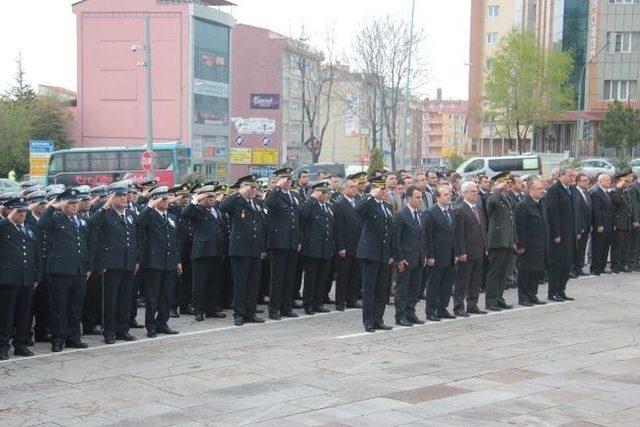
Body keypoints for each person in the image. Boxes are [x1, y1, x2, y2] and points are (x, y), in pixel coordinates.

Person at [39, 188, 91, 352]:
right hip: (60, 270)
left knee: (75, 306)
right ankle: (58, 338)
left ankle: (73, 337)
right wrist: (54, 206)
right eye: (71, 203)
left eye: (76, 203)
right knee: (59, 306)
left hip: (78, 270)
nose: (75, 205)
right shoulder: (56, 219)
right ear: (63, 204)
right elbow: (41, 224)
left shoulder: (81, 220)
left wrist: (87, 266)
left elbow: (85, 244)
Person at [88, 183, 138, 344]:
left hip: (128, 262)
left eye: (125, 195)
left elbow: (135, 239)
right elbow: (92, 224)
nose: (124, 198)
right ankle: (109, 331)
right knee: (110, 300)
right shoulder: (105, 214)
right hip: (111, 264)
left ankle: (122, 329)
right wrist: (106, 205)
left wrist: (136, 260)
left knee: (125, 299)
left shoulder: (130, 214)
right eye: (120, 196)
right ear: (111, 197)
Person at [219, 175, 266, 326]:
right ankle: (239, 314)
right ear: (244, 188)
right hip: (240, 249)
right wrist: (239, 192)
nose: (254, 190)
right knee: (240, 283)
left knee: (253, 283)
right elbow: (222, 207)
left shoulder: (257, 203)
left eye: (255, 188)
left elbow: (260, 226)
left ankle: (250, 312)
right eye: (251, 187)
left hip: (255, 249)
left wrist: (262, 248)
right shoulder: (236, 201)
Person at [136, 186, 181, 338]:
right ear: (154, 200)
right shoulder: (148, 215)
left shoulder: (171, 217)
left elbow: (176, 241)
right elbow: (138, 222)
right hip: (153, 262)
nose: (166, 201)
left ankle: (162, 322)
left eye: (167, 199)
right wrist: (150, 206)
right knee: (152, 296)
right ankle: (151, 326)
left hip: (169, 261)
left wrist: (178, 260)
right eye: (162, 199)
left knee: (167, 295)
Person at [0, 197, 39, 360]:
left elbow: (36, 254)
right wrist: (7, 219)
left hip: (27, 278)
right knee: (6, 314)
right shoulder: (4, 227)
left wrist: (37, 275)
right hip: (8, 278)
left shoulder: (29, 228)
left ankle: (21, 344)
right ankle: (2, 346)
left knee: (24, 314)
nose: (22, 214)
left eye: (24, 211)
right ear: (10, 211)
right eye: (18, 211)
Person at [182, 184, 227, 321]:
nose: (212, 199)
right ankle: (199, 309)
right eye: (209, 197)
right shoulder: (197, 209)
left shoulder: (216, 210)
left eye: (213, 196)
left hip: (217, 251)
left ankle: (212, 308)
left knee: (215, 282)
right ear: (202, 199)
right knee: (201, 283)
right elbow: (185, 213)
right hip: (202, 252)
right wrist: (195, 199)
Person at [355, 177, 393, 332]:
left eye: (384, 189)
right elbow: (357, 209)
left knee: (381, 289)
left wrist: (392, 253)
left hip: (383, 253)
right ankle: (369, 321)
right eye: (381, 189)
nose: (384, 191)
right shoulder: (368, 204)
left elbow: (389, 231)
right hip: (369, 253)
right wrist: (370, 195)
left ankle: (379, 319)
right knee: (369, 289)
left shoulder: (386, 206)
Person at [265, 167, 302, 320]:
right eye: (285, 180)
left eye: (289, 179)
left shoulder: (293, 195)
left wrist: (298, 240)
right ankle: (274, 309)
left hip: (292, 241)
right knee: (278, 277)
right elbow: (269, 203)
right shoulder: (274, 195)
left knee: (289, 276)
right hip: (279, 242)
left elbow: (297, 219)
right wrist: (276, 187)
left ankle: (286, 307)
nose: (288, 182)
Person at [391, 185, 426, 326]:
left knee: (415, 289)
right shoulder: (400, 215)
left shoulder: (421, 214)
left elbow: (423, 237)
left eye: (421, 197)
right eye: (418, 197)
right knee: (402, 289)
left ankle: (411, 313)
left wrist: (424, 255)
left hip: (418, 258)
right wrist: (399, 258)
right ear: (409, 198)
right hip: (405, 259)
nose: (420, 200)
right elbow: (396, 240)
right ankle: (400, 316)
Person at [299, 180, 335, 315]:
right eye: (324, 193)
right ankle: (308, 304)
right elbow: (303, 215)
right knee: (311, 278)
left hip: (326, 247)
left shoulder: (329, 207)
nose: (327, 195)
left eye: (327, 192)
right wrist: (312, 198)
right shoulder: (311, 205)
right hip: (313, 248)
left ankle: (318, 302)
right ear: (317, 193)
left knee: (322, 277)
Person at [453, 181, 487, 316]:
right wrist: (461, 252)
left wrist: (485, 246)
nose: (475, 194)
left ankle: (472, 304)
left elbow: (482, 229)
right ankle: (458, 306)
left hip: (478, 250)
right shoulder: (460, 210)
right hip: (466, 252)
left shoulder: (478, 208)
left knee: (475, 280)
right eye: (472, 191)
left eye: (476, 191)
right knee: (462, 281)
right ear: (464, 193)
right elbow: (459, 233)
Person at [424, 185, 457, 321]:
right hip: (436, 255)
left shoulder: (451, 212)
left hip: (449, 255)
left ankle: (442, 308)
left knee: (447, 284)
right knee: (434, 285)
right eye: (445, 194)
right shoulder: (431, 213)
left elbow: (453, 234)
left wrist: (456, 253)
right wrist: (430, 255)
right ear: (437, 197)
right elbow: (428, 236)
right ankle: (431, 311)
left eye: (449, 194)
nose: (449, 196)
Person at [514, 180, 548, 306]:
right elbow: (520, 227)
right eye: (539, 188)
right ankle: (523, 297)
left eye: (542, 188)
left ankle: (532, 294)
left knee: (536, 271)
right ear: (530, 190)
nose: (542, 191)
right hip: (527, 245)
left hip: (539, 243)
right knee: (525, 272)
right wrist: (521, 245)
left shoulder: (541, 202)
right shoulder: (523, 205)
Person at [485, 172, 516, 311]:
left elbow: (511, 221)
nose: (508, 185)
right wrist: (497, 190)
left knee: (503, 273)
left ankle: (499, 298)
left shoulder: (507, 198)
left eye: (509, 183)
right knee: (495, 272)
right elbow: (491, 205)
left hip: (507, 241)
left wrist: (513, 240)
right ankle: (490, 300)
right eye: (505, 183)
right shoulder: (493, 197)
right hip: (497, 242)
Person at [545, 167, 577, 302]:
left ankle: (561, 289)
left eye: (573, 176)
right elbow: (552, 213)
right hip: (559, 235)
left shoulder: (571, 190)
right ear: (561, 176)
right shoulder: (554, 190)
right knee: (557, 264)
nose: (572, 178)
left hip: (569, 233)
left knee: (566, 264)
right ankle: (553, 292)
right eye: (570, 176)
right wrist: (556, 233)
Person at [333, 177, 363, 311]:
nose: (354, 189)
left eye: (355, 187)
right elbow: (338, 228)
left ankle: (352, 299)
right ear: (344, 189)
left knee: (355, 274)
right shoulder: (340, 204)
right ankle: (340, 301)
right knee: (343, 275)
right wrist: (341, 246)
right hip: (345, 246)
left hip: (357, 245)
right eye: (351, 187)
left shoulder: (358, 202)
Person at [611, 171, 635, 273]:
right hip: (619, 223)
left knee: (625, 245)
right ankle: (615, 265)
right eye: (627, 182)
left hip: (627, 223)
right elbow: (617, 200)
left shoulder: (626, 192)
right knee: (618, 246)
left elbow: (630, 206)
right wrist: (619, 187)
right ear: (621, 181)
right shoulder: (615, 191)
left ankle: (622, 264)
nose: (629, 184)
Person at [590, 173, 614, 276]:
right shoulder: (596, 192)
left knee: (605, 247)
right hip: (600, 225)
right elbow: (596, 210)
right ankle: (595, 268)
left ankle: (602, 267)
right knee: (598, 247)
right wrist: (599, 224)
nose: (610, 182)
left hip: (608, 224)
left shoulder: (606, 192)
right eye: (607, 180)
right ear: (600, 181)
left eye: (609, 180)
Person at [573, 173, 592, 276]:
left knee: (582, 248)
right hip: (579, 226)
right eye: (584, 180)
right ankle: (575, 268)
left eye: (587, 180)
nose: (586, 182)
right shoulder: (575, 193)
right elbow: (577, 212)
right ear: (578, 182)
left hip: (587, 226)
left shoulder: (587, 193)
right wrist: (579, 228)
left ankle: (580, 267)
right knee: (577, 248)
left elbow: (589, 210)